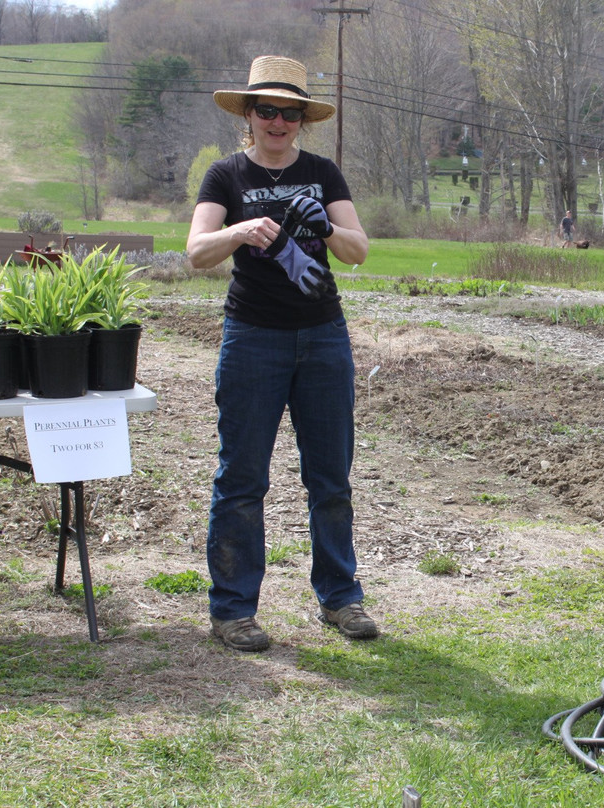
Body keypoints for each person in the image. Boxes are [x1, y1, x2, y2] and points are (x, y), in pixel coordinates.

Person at [186, 55, 375, 652]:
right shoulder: (225, 176)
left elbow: (358, 251)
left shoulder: (323, 172)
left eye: (289, 113)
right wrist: (240, 232)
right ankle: (234, 610)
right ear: (249, 114)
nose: (278, 122)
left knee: (330, 477)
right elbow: (195, 252)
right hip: (253, 340)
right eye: (267, 110)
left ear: (301, 121)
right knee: (242, 478)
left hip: (323, 337)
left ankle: (341, 600)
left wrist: (323, 229)